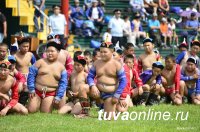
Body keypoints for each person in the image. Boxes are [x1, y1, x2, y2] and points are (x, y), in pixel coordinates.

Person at [87, 42, 126, 119]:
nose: (102, 54)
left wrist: (117, 95)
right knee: (83, 88)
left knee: (109, 118)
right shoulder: (96, 63)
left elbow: (123, 81)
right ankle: (84, 111)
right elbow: (90, 77)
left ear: (112, 52)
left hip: (110, 94)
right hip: (97, 92)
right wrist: (92, 86)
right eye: (101, 52)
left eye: (105, 52)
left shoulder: (117, 64)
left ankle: (107, 108)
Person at [27, 41, 68, 113]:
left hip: (50, 93)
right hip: (36, 91)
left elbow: (63, 83)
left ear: (58, 52)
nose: (49, 53)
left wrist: (58, 96)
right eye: (48, 51)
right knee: (31, 110)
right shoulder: (40, 62)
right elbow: (31, 75)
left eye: (52, 51)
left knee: (46, 113)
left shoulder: (62, 68)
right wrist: (31, 89)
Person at [14, 37, 36, 106]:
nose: (26, 48)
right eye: (24, 46)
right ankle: (15, 103)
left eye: (27, 46)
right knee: (17, 91)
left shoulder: (30, 55)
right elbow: (12, 69)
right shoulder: (14, 56)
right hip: (18, 77)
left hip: (28, 77)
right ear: (19, 46)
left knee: (26, 90)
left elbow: (35, 65)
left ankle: (22, 104)